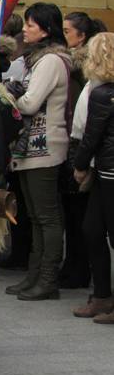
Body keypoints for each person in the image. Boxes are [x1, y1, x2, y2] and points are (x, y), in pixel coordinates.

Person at [5, 3, 71, 301]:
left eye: (30, 25)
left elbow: (30, 103)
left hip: (44, 146)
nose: (24, 30)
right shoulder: (36, 59)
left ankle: (47, 278)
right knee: (34, 215)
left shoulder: (50, 61)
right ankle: (34, 274)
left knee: (47, 216)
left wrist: (9, 96)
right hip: (31, 147)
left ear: (45, 29)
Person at [59, 12, 105, 288]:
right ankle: (78, 268)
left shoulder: (89, 75)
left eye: (68, 31)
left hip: (88, 151)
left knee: (84, 219)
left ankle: (82, 272)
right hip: (80, 145)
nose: (64, 36)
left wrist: (81, 162)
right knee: (79, 218)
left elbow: (91, 125)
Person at [72, 32, 114, 323]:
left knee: (100, 232)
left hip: (108, 171)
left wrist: (79, 165)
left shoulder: (102, 94)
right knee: (92, 229)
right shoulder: (102, 91)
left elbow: (91, 136)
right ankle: (102, 296)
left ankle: (104, 298)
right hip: (106, 171)